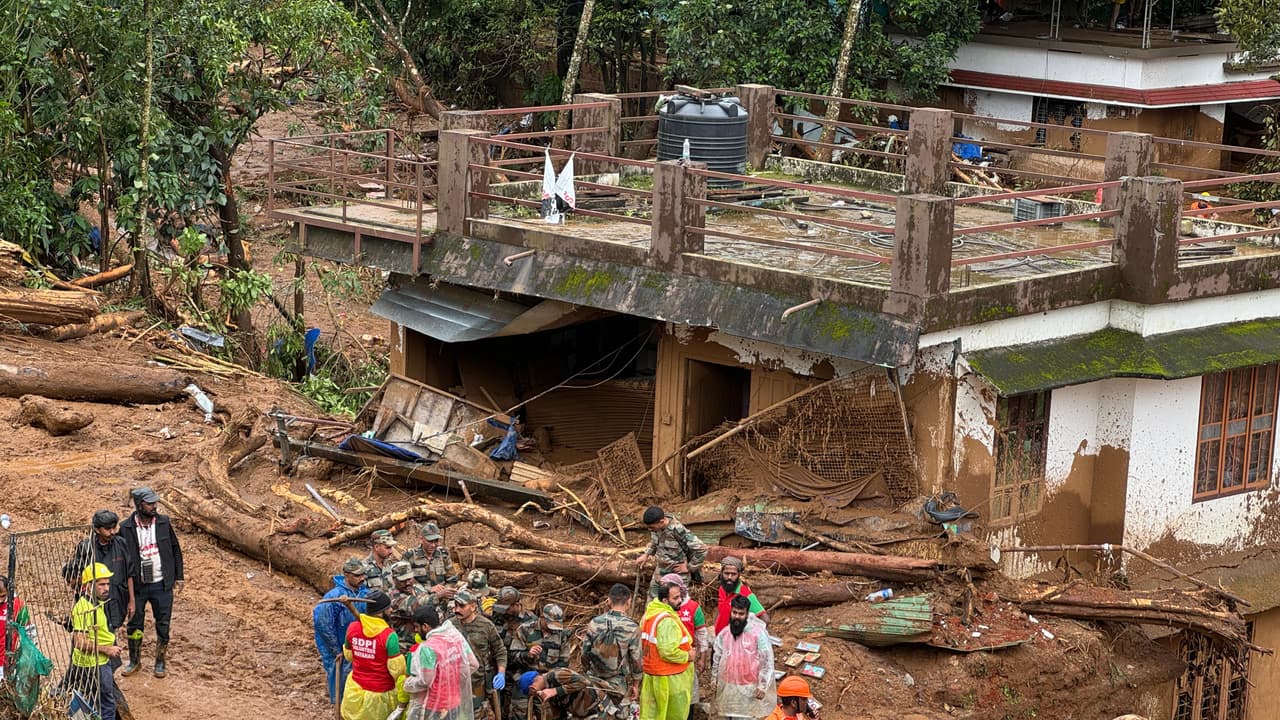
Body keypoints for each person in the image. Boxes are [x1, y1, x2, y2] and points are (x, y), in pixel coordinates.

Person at [119, 486, 184, 678]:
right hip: (137, 587)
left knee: (163, 624)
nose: (154, 506)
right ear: (139, 505)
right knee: (134, 624)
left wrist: (179, 576)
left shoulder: (163, 522)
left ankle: (160, 662)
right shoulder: (126, 528)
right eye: (150, 503)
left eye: (155, 502)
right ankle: (134, 661)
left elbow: (175, 549)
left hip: (162, 584)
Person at [401, 605, 479, 720]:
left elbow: (425, 681)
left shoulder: (428, 648)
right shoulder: (455, 637)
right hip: (454, 702)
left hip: (435, 706)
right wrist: (450, 679)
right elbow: (473, 664)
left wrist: (408, 683)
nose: (416, 631)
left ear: (425, 626)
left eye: (417, 627)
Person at [64, 510, 135, 633]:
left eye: (114, 528)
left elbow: (129, 574)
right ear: (97, 530)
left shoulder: (121, 544)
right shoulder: (86, 547)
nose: (112, 532)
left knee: (110, 632)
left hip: (116, 598)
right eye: (107, 529)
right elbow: (74, 577)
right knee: (89, 637)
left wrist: (132, 601)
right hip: (93, 603)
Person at [341, 589, 406, 720]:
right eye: (388, 609)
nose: (391, 611)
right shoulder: (389, 636)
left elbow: (349, 656)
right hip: (380, 697)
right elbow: (398, 671)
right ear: (381, 613)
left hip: (355, 692)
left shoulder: (352, 628)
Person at [314, 558, 370, 705]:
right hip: (339, 647)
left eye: (363, 575)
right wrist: (335, 649)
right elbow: (323, 623)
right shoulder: (334, 596)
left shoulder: (365, 593)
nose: (362, 578)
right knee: (340, 680)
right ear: (346, 575)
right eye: (357, 576)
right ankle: (340, 706)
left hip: (359, 645)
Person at [710, 596, 776, 720]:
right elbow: (717, 656)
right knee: (727, 715)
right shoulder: (725, 633)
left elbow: (766, 660)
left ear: (747, 614)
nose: (737, 616)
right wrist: (714, 678)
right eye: (734, 612)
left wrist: (763, 685)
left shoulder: (758, 633)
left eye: (741, 614)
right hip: (728, 685)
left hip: (749, 688)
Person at [70, 563, 121, 720]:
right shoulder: (83, 608)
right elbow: (79, 642)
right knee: (105, 705)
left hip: (99, 661)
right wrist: (107, 649)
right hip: (93, 664)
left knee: (97, 701)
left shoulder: (96, 603)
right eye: (101, 584)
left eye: (107, 584)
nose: (106, 588)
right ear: (88, 586)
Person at [582, 583, 642, 717]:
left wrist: (587, 672)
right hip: (618, 685)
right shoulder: (632, 627)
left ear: (608, 601)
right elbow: (636, 661)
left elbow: (584, 653)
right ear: (628, 602)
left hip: (594, 681)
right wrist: (636, 684)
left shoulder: (595, 623)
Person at [639, 583, 693, 720]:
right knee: (672, 715)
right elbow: (667, 651)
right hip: (670, 678)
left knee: (653, 714)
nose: (680, 600)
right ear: (665, 601)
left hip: (652, 674)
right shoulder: (666, 620)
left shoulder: (650, 614)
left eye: (680, 596)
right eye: (675, 598)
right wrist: (688, 655)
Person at [453, 588, 507, 720]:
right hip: (456, 683)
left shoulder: (486, 626)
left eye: (462, 606)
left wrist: (501, 673)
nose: (457, 609)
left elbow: (500, 651)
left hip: (479, 684)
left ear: (472, 606)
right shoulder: (450, 625)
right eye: (455, 605)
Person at [661, 574, 709, 709]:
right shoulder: (660, 608)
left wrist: (702, 658)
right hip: (666, 660)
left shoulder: (693, 607)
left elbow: (702, 634)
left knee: (688, 697)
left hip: (687, 660)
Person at [636, 506, 706, 599]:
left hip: (677, 574)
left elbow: (702, 549)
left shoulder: (678, 530)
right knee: (652, 603)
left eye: (652, 527)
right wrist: (646, 555)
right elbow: (654, 541)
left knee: (677, 604)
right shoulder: (655, 528)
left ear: (661, 522)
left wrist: (689, 567)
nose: (650, 530)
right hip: (660, 571)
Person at [509, 603, 570, 674]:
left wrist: (549, 677)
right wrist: (528, 654)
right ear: (542, 618)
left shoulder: (562, 634)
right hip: (528, 675)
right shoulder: (524, 629)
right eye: (550, 624)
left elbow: (564, 662)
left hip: (550, 677)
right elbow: (512, 656)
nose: (553, 629)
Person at [712, 557, 766, 637]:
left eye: (733, 574)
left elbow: (765, 619)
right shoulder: (722, 589)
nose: (729, 577)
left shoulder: (746, 594)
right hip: (720, 640)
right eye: (726, 573)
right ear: (721, 573)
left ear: (739, 575)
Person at [404, 521, 458, 600]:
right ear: (421, 539)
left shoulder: (443, 554)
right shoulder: (410, 556)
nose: (433, 545)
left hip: (443, 598)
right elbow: (405, 582)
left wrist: (445, 590)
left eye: (436, 541)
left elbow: (452, 579)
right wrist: (428, 589)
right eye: (430, 541)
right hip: (420, 599)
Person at [528, 669, 610, 720]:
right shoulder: (546, 691)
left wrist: (556, 690)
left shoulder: (556, 675)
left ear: (533, 686)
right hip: (581, 715)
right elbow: (559, 712)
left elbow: (584, 682)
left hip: (598, 709)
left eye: (534, 692)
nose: (537, 694)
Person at [388, 561, 435, 642]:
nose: (407, 583)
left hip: (426, 637)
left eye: (409, 579)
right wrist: (437, 597)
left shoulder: (417, 587)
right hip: (406, 642)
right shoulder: (393, 596)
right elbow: (414, 607)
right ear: (394, 580)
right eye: (402, 581)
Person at [0, 575, 34, 684]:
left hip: (6, 659)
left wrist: (26, 652)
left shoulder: (17, 605)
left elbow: (29, 630)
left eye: (3, 596)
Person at [363, 529, 400, 593]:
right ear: (377, 547)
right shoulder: (364, 568)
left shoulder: (391, 564)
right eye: (388, 548)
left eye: (391, 547)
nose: (391, 551)